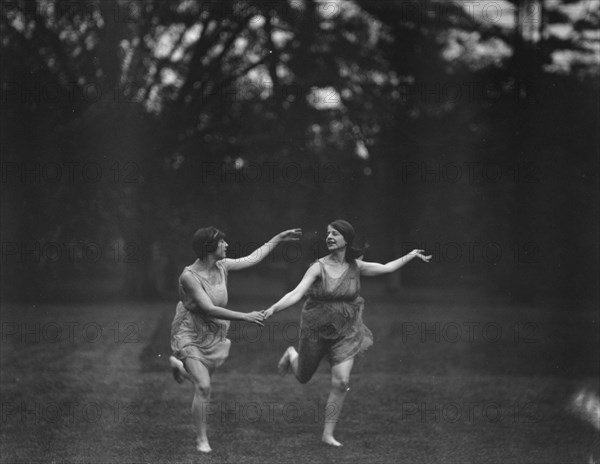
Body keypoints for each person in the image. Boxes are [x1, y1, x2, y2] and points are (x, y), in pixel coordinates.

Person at [262, 219, 431, 447]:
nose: (329, 237)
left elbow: (386, 267)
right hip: (316, 328)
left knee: (341, 382)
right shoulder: (318, 267)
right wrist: (273, 308)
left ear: (346, 240)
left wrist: (410, 255)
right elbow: (296, 292)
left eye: (335, 234)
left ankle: (327, 435)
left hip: (347, 330)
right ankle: (292, 355)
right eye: (328, 233)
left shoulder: (355, 266)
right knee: (303, 376)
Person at [169, 226, 302, 453]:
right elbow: (208, 308)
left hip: (212, 333)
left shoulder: (222, 265)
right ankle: (201, 439)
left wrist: (278, 237)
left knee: (203, 385)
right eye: (222, 242)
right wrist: (245, 316)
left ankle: (181, 370)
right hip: (189, 332)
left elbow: (253, 258)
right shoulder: (189, 277)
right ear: (210, 247)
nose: (227, 246)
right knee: (204, 386)